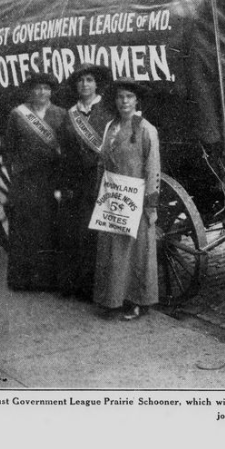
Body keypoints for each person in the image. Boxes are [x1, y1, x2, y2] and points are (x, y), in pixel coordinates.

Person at [93, 78, 161, 321]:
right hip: (113, 196)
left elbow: (152, 167)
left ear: (136, 101)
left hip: (136, 198)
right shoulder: (111, 127)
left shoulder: (145, 129)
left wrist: (150, 204)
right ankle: (112, 300)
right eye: (120, 97)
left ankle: (137, 302)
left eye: (129, 97)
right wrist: (101, 195)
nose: (124, 101)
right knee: (113, 251)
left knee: (136, 252)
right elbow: (102, 161)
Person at [2, 71, 69, 291]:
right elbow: (9, 148)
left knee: (47, 229)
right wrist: (17, 171)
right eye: (38, 88)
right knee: (23, 229)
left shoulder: (60, 114)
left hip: (50, 179)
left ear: (51, 92)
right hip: (25, 180)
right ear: (30, 91)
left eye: (46, 88)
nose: (42, 92)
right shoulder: (17, 114)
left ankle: (45, 280)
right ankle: (22, 280)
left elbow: (66, 149)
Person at [57, 65, 114, 299]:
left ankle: (98, 287)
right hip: (76, 181)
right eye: (80, 81)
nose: (85, 85)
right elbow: (63, 151)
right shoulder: (69, 115)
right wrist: (65, 184)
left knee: (98, 234)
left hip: (101, 179)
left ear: (96, 84)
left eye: (89, 80)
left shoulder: (108, 111)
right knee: (77, 232)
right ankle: (77, 286)